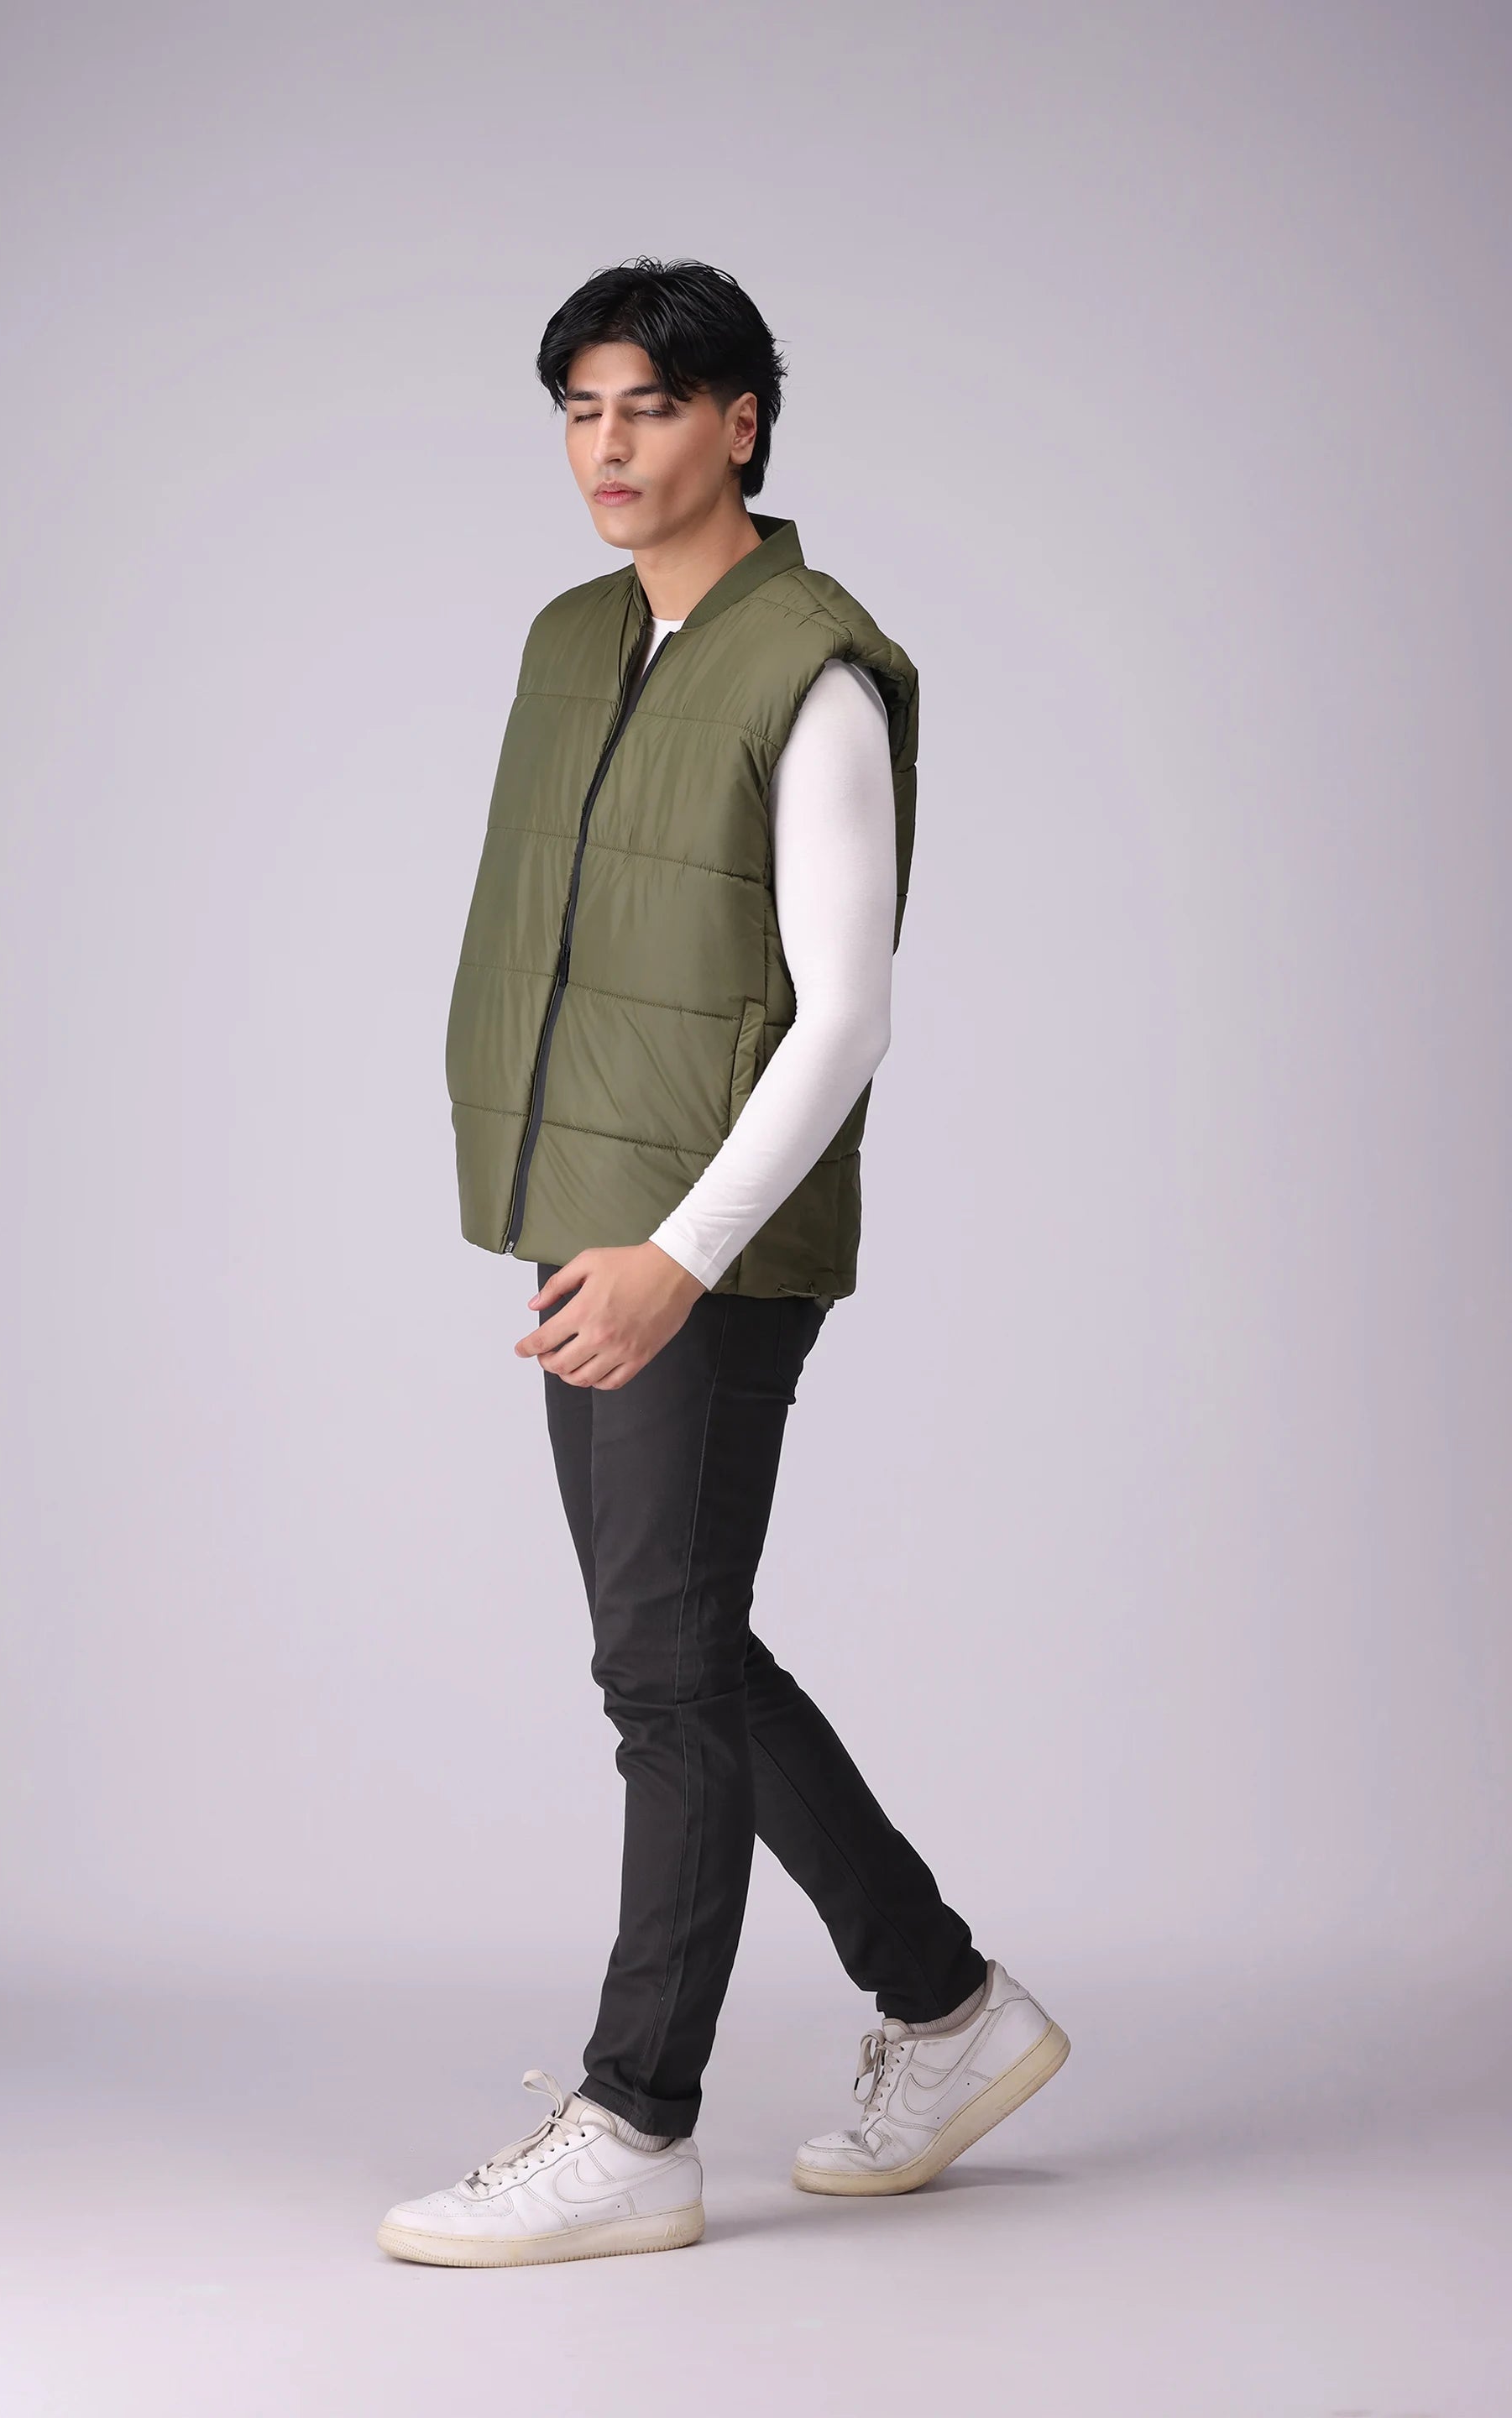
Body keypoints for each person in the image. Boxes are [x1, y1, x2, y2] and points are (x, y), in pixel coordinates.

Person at [376, 258, 1069, 2270]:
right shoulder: (571, 637)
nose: (608, 446)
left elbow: (844, 1015)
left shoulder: (816, 668)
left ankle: (637, 2125)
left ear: (741, 421)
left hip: (708, 1242)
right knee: (673, 1646)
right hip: (582, 1214)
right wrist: (586, 1222)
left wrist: (679, 1256)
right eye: (581, 408)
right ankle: (949, 2006)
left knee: (662, 1670)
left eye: (652, 406)